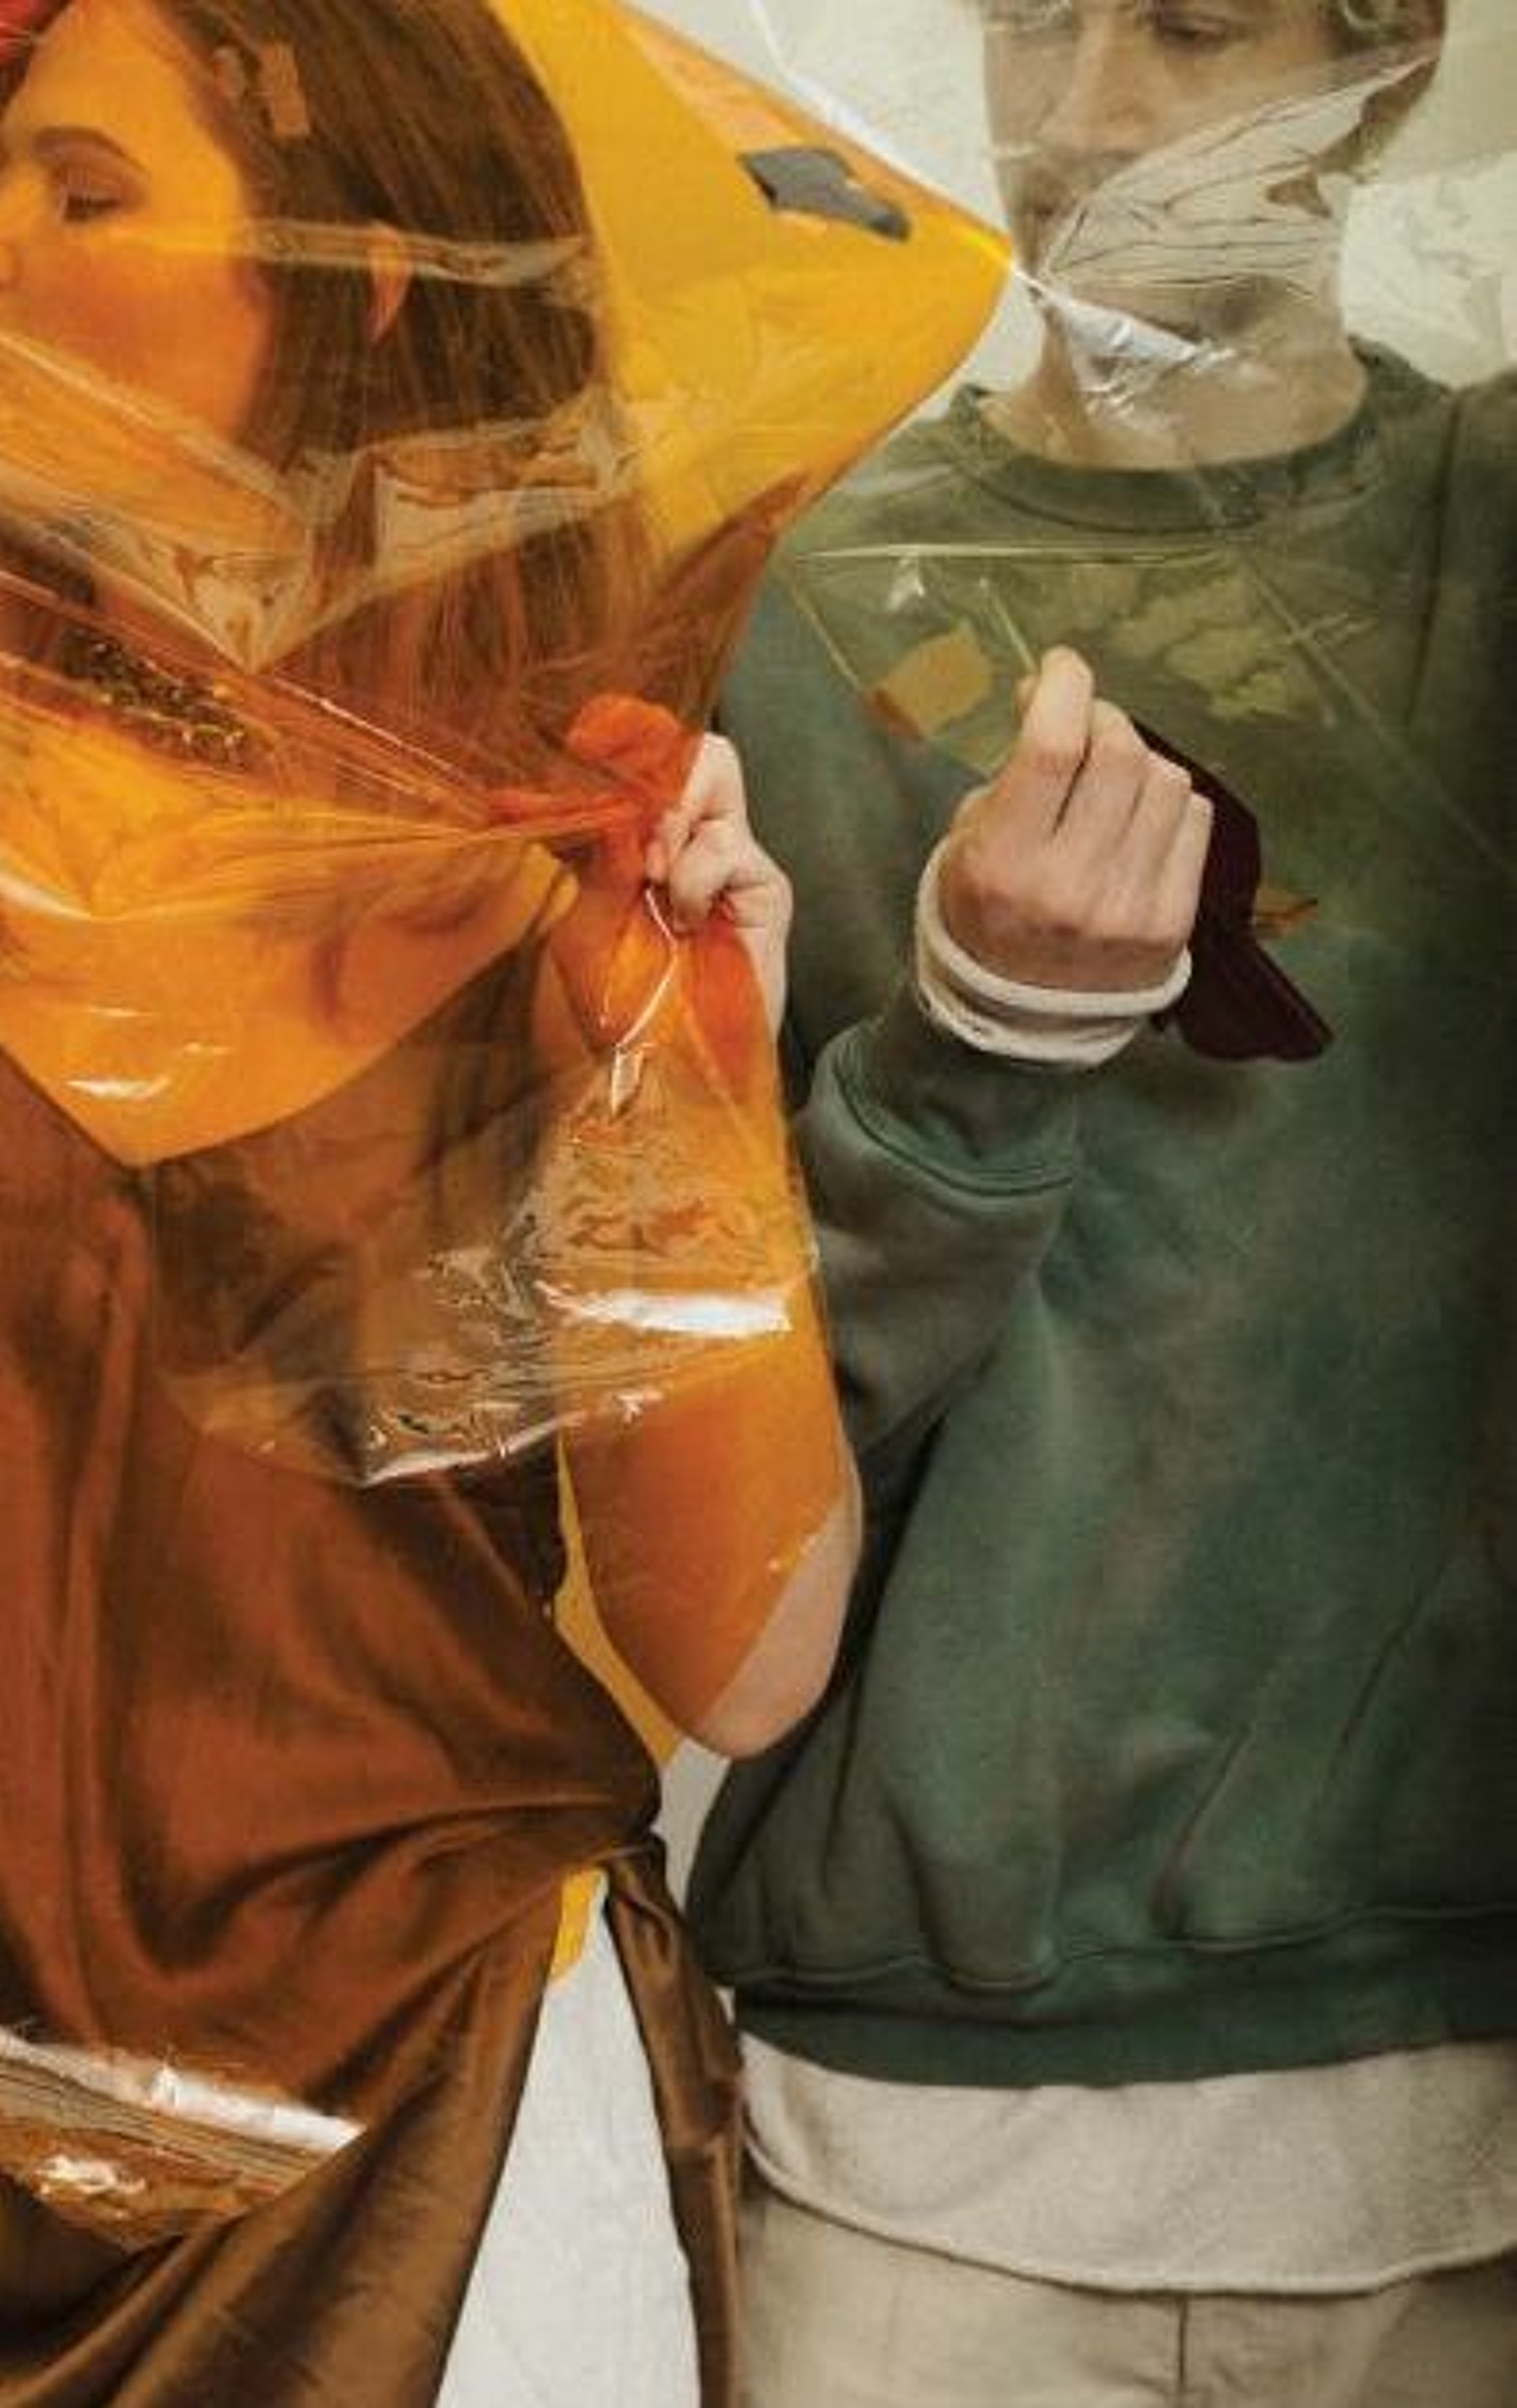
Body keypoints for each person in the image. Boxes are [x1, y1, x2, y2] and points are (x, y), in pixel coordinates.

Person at [0, 0, 864, 2394]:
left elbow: (745, 1660)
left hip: (438, 2137)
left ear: (360, 280)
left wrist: (692, 1086)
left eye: (83, 188)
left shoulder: (549, 870)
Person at [685, 1, 1517, 2398]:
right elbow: (691, 1428)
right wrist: (972, 1050)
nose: (1085, 110)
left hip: (1463, 2098)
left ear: (1393, 53)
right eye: (1033, 15)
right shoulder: (797, 596)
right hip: (930, 2137)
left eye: (1191, 22)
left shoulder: (1485, 545)